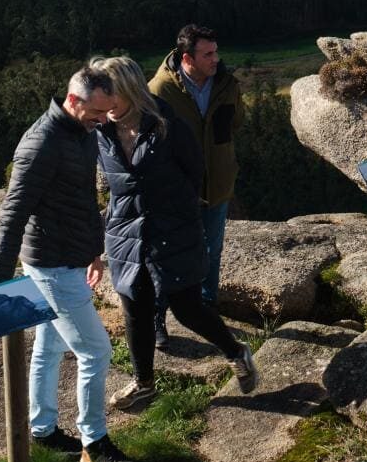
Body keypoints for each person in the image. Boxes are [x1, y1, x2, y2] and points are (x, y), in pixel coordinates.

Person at [0, 66, 134, 462]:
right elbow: (12, 212)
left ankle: (43, 429)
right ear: (74, 100)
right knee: (95, 350)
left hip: (67, 256)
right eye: (99, 112)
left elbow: (80, 199)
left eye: (109, 112)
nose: (105, 120)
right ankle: (94, 443)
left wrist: (92, 251)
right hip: (51, 265)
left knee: (49, 348)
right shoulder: (42, 144)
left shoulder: (79, 132)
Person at [92, 57, 257, 411]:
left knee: (186, 307)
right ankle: (144, 384)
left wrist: (178, 210)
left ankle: (236, 352)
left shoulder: (165, 124)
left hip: (172, 225)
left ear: (127, 90)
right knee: (134, 306)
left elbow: (193, 168)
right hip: (125, 228)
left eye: (106, 93)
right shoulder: (100, 130)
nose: (100, 102)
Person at [148, 24, 245, 348]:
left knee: (211, 252)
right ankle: (156, 318)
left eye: (216, 51)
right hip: (176, 193)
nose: (216, 59)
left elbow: (235, 122)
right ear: (187, 58)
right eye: (208, 54)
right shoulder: (160, 91)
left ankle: (207, 309)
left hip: (216, 186)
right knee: (165, 257)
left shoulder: (227, 84)